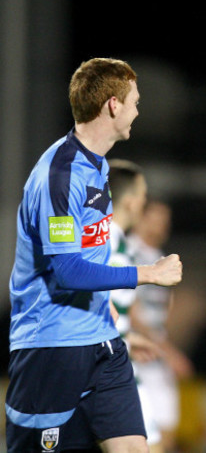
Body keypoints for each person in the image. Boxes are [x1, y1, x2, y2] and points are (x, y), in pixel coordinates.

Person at [6, 57, 183, 453]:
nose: (139, 110)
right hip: (51, 349)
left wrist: (113, 319)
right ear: (113, 106)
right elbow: (67, 270)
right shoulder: (61, 175)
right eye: (134, 101)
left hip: (102, 343)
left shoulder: (97, 166)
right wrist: (147, 273)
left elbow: (89, 250)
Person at [127, 199, 194, 451]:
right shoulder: (128, 251)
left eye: (166, 220)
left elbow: (160, 316)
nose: (163, 225)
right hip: (136, 357)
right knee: (143, 438)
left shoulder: (159, 257)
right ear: (141, 218)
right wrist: (171, 353)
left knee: (165, 435)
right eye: (157, 218)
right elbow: (130, 312)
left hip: (157, 358)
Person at [107, 158, 164, 452]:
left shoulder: (116, 243)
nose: (145, 202)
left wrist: (128, 337)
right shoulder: (108, 247)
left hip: (118, 366)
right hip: (111, 374)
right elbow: (97, 315)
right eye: (142, 195)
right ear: (130, 201)